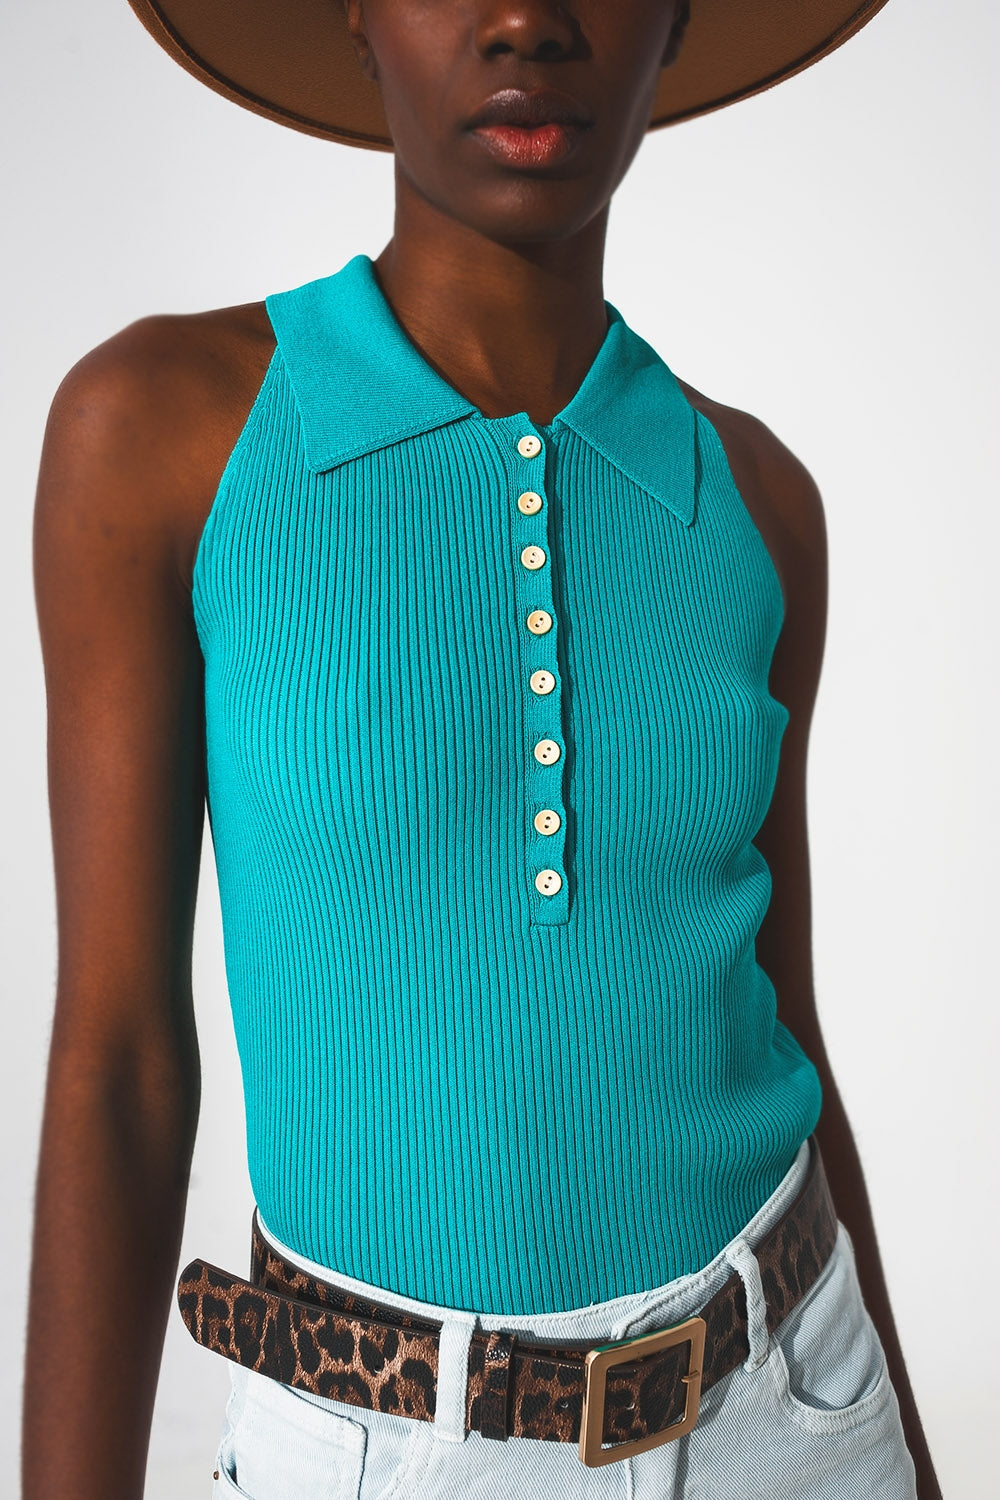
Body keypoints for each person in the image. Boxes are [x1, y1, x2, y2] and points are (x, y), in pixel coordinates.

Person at [22, 2, 941, 1496]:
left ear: (674, 18)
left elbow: (783, 1022)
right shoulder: (162, 433)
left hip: (796, 1409)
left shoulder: (761, 503)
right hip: (380, 1445)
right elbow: (118, 1060)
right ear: (356, 14)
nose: (528, 18)